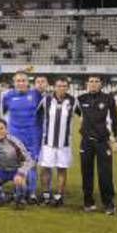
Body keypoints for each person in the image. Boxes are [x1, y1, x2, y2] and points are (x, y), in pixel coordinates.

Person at [75, 75, 117, 215]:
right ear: (87, 84)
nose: (93, 84)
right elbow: (77, 113)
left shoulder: (108, 99)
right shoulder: (81, 99)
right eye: (91, 82)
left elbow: (114, 119)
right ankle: (88, 202)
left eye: (96, 82)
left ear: (101, 84)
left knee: (105, 174)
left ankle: (108, 204)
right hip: (86, 142)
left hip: (103, 141)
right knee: (86, 173)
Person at [2, 71, 43, 203]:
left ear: (28, 82)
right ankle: (19, 191)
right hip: (15, 136)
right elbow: (0, 114)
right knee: (17, 164)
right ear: (14, 83)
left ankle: (31, 193)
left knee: (31, 165)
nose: (20, 83)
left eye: (23, 80)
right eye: (18, 81)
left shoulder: (36, 95)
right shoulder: (8, 96)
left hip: (32, 136)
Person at [39, 77, 76, 206]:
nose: (61, 88)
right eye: (59, 86)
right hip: (47, 143)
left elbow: (84, 116)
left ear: (68, 87)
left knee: (62, 169)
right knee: (45, 169)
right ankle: (45, 195)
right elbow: (37, 116)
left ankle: (59, 196)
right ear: (54, 87)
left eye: (64, 86)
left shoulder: (73, 101)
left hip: (64, 144)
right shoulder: (46, 100)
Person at [0, 119, 34, 209]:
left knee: (20, 182)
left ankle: (20, 199)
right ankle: (1, 196)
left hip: (16, 171)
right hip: (0, 172)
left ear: (7, 130)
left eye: (2, 128)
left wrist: (21, 173)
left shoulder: (15, 142)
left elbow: (29, 160)